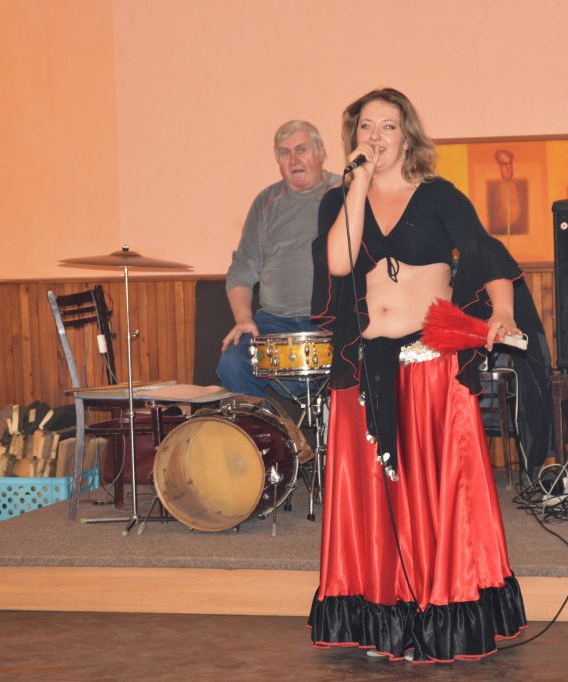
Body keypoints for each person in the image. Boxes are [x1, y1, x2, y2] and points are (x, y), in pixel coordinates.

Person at [308, 88, 539, 662]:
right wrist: (357, 185)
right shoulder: (339, 200)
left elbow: (484, 252)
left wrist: (502, 310)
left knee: (429, 496)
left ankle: (437, 615)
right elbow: (339, 262)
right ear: (353, 137)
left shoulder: (438, 196)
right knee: (373, 500)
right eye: (366, 126)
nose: (376, 136)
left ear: (407, 136)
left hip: (428, 362)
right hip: (366, 365)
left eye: (388, 126)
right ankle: (386, 620)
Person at [217, 120, 340, 398]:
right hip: (274, 322)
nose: (293, 159)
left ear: (320, 153)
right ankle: (271, 426)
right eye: (285, 153)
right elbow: (242, 268)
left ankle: (337, 424)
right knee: (232, 362)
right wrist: (243, 319)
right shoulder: (266, 202)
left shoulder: (345, 192)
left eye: (301, 150)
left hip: (331, 321)